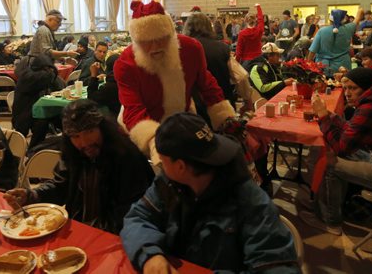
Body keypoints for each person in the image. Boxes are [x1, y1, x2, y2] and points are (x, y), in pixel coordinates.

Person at [121, 112, 300, 273]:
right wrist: (151, 255)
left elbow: (279, 267)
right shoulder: (170, 184)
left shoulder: (250, 201)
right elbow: (138, 217)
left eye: (162, 160)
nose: (160, 165)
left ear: (180, 166)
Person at [114, 0, 236, 168]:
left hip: (181, 119)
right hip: (139, 125)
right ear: (136, 40)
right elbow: (133, 109)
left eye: (161, 38)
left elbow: (207, 84)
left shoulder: (191, 49)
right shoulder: (126, 63)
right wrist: (153, 143)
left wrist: (226, 119)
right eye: (146, 41)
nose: (155, 47)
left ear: (171, 33)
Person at [4, 100, 154, 233]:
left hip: (115, 233)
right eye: (75, 136)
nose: (84, 142)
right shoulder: (73, 153)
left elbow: (132, 210)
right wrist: (31, 196)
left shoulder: (126, 157)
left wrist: (98, 234)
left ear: (103, 128)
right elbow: (61, 186)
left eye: (89, 131)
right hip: (78, 227)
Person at [300, 68, 372, 235]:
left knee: (328, 161)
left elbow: (342, 147)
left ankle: (329, 221)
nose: (347, 93)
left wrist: (323, 116)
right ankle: (331, 201)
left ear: (366, 87)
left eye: (353, 88)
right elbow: (354, 131)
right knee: (333, 152)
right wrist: (332, 117)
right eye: (346, 88)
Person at [183, 12, 235, 110]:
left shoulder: (183, 49)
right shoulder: (223, 48)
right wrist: (248, 101)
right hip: (222, 103)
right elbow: (241, 77)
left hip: (195, 107)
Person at [12, 54, 64, 148]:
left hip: (41, 109)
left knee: (63, 117)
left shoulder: (42, 74)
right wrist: (52, 72)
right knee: (43, 122)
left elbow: (60, 88)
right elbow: (48, 77)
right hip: (26, 113)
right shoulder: (29, 77)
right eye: (46, 68)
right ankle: (34, 149)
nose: (49, 71)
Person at [308, 8, 363, 77]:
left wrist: (309, 65)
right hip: (343, 67)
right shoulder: (348, 29)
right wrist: (360, 9)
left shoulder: (322, 31)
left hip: (323, 66)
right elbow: (358, 17)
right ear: (343, 20)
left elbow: (312, 51)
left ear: (330, 19)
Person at [87, 53, 121, 118]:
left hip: (116, 121)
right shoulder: (127, 80)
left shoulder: (110, 86)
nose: (102, 54)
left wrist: (93, 76)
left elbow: (91, 99)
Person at [235, 4, 264, 68]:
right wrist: (258, 8)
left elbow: (239, 51)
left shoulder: (242, 33)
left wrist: (236, 63)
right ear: (255, 21)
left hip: (246, 62)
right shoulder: (259, 30)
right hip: (258, 60)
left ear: (245, 21)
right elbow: (261, 20)